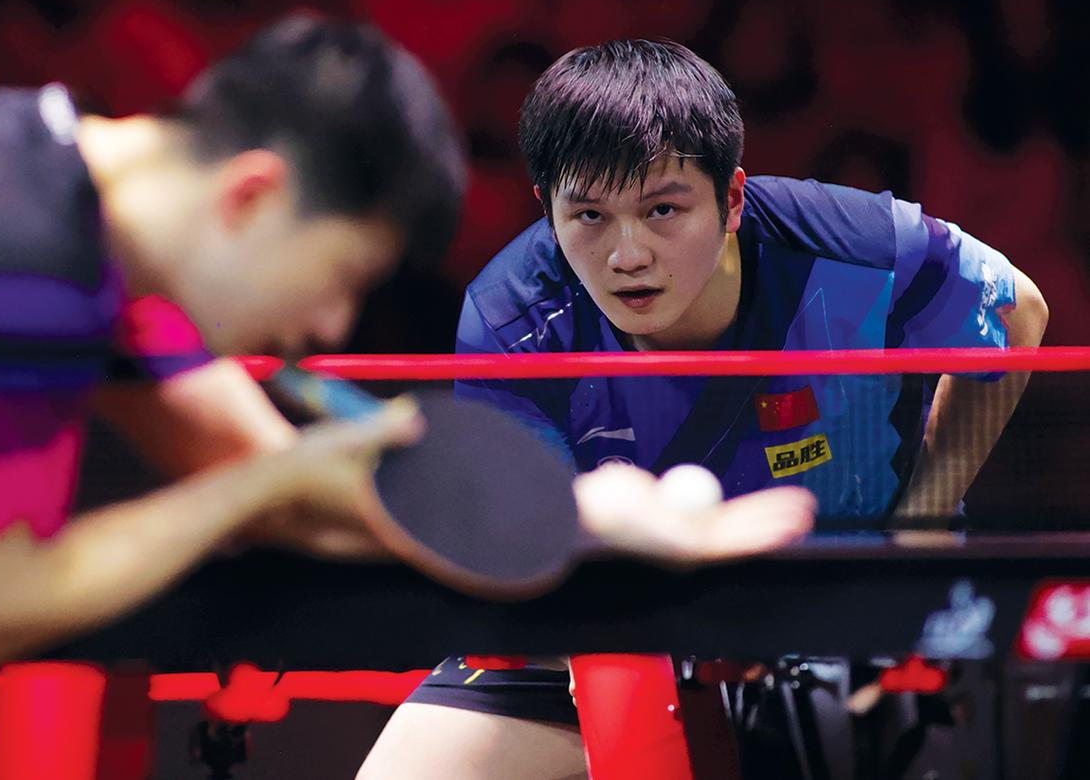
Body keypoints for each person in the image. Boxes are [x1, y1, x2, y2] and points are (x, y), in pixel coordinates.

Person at [0, 20, 814, 775]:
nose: (327, 327)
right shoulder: (7, 256)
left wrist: (578, 523)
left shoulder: (41, 171)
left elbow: (262, 465)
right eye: (340, 275)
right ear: (254, 197)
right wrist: (261, 493)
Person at [359, 39, 1048, 780]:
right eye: (588, 215)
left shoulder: (855, 248)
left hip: (841, 618)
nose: (628, 254)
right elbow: (533, 548)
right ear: (546, 207)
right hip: (609, 625)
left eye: (662, 209)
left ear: (731, 198)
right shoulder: (510, 318)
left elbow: (1017, 316)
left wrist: (924, 522)